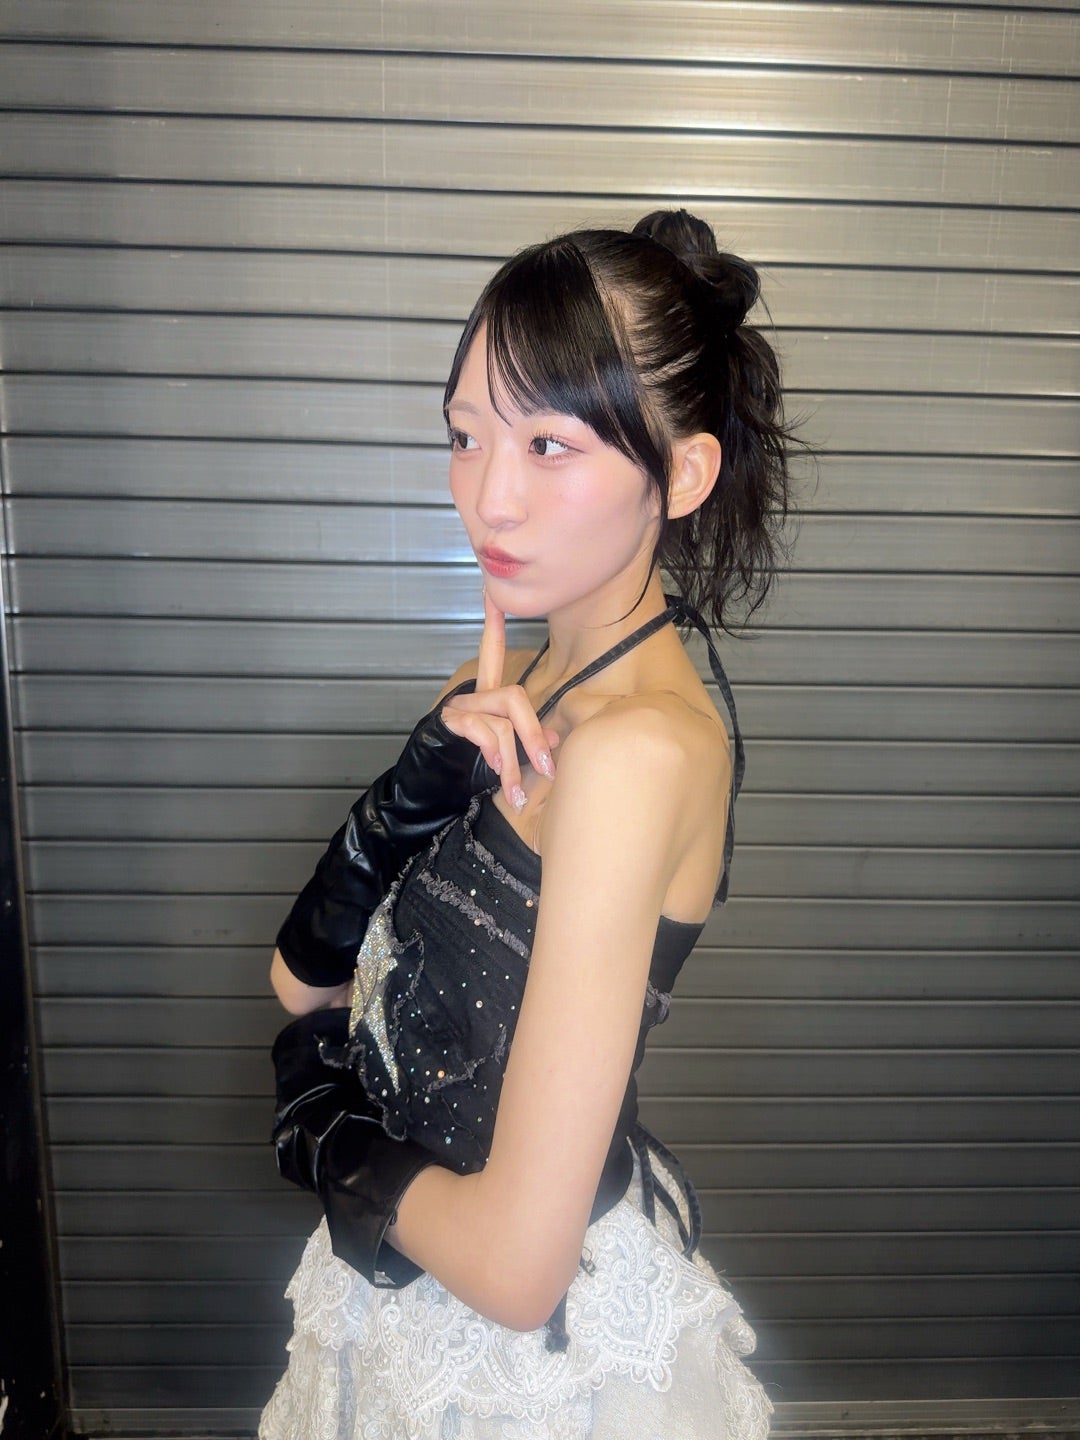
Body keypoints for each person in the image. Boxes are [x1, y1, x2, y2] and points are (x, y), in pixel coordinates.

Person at [259, 209, 794, 1440]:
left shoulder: (636, 756)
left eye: (549, 444)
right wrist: (409, 789)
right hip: (399, 1283)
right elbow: (300, 985)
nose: (489, 498)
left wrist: (336, 1143)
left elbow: (515, 1271)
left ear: (684, 475)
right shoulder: (505, 687)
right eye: (466, 435)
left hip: (530, 1371)